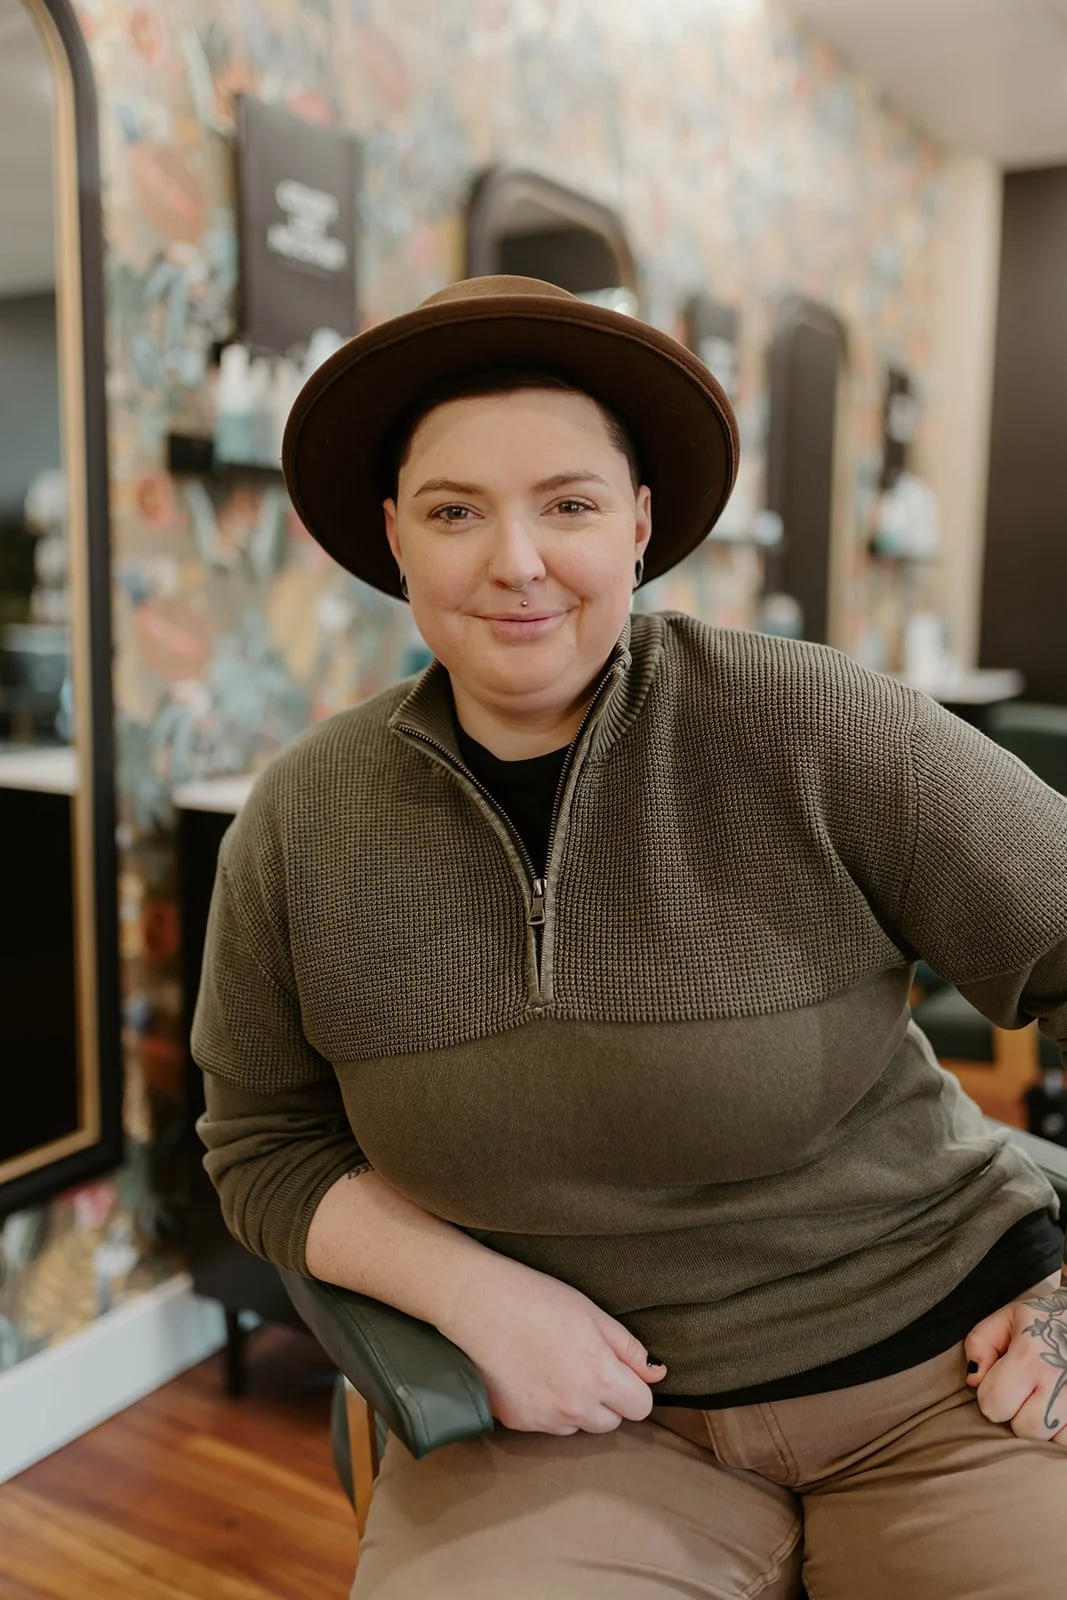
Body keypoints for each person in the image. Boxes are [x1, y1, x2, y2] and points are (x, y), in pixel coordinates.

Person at [192, 275, 1067, 1600]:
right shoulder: (303, 820)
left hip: (946, 1381)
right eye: (453, 511)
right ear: (392, 538)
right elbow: (261, 1141)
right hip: (571, 1423)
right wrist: (466, 1292)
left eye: (569, 503)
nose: (516, 562)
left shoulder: (816, 728)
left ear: (640, 524)